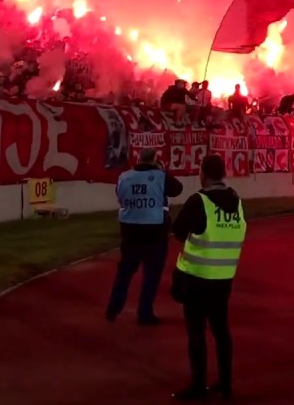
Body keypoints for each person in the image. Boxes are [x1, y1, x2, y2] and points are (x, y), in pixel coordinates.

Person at [170, 154, 246, 401]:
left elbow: (179, 232)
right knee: (222, 331)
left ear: (203, 173)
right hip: (224, 279)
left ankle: (198, 385)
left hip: (198, 278)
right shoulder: (237, 203)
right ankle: (226, 383)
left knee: (197, 333)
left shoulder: (199, 201)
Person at [106, 148, 184, 324]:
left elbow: (120, 195)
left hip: (130, 230)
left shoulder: (124, 177)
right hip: (154, 231)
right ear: (155, 159)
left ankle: (113, 308)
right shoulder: (160, 176)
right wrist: (162, 170)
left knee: (124, 272)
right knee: (151, 274)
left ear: (138, 158)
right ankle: (144, 312)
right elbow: (177, 189)